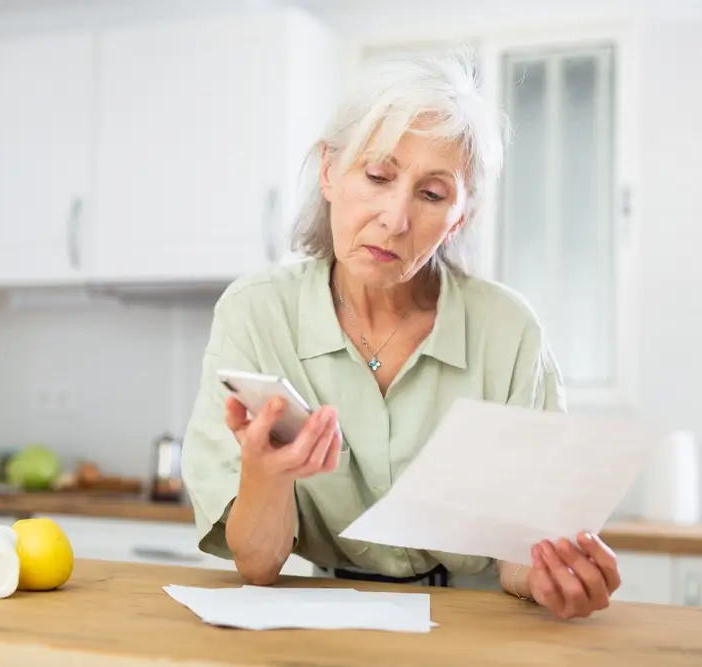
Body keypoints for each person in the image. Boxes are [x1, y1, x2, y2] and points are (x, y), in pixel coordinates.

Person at [180, 49, 622, 621]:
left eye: (432, 195)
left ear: (458, 218)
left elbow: (519, 559)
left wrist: (550, 573)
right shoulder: (256, 314)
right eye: (378, 176)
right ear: (329, 173)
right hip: (324, 618)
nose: (395, 218)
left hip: (475, 626)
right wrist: (266, 474)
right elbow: (259, 566)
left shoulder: (508, 333)